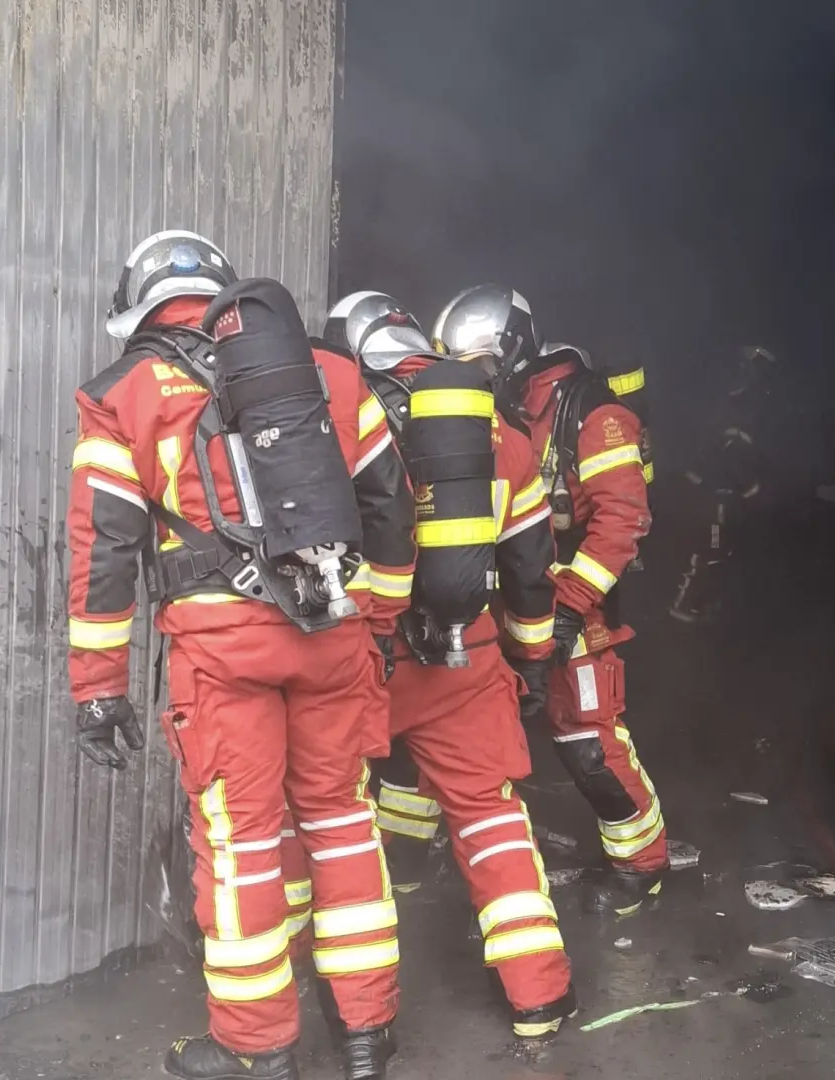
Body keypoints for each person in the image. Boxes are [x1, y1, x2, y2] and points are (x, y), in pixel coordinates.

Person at [66, 232, 416, 1080]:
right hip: (332, 637)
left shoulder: (124, 395)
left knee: (243, 844)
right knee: (342, 823)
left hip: (224, 655)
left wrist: (98, 687)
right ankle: (366, 1033)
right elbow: (392, 506)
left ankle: (257, 1047)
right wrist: (377, 620)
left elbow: (105, 551)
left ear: (139, 308)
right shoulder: (331, 371)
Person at [323, 290, 580, 1038]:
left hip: (363, 655)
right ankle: (539, 998)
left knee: (331, 817)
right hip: (468, 655)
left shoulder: (335, 414)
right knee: (490, 816)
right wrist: (533, 659)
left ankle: (346, 1009)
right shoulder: (501, 432)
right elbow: (530, 569)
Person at [432, 285, 669, 916]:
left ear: (512, 349)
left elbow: (622, 521)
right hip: (504, 606)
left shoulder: (594, 415)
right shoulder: (500, 409)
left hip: (573, 614)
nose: (472, 377)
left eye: (480, 363)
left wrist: (567, 606)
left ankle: (641, 866)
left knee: (588, 742)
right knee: (458, 731)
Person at [668, 345, 777, 624]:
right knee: (709, 550)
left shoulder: (733, 408)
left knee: (720, 551)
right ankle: (683, 606)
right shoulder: (732, 413)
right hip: (714, 498)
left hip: (720, 496)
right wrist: (747, 490)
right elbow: (723, 460)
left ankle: (702, 604)